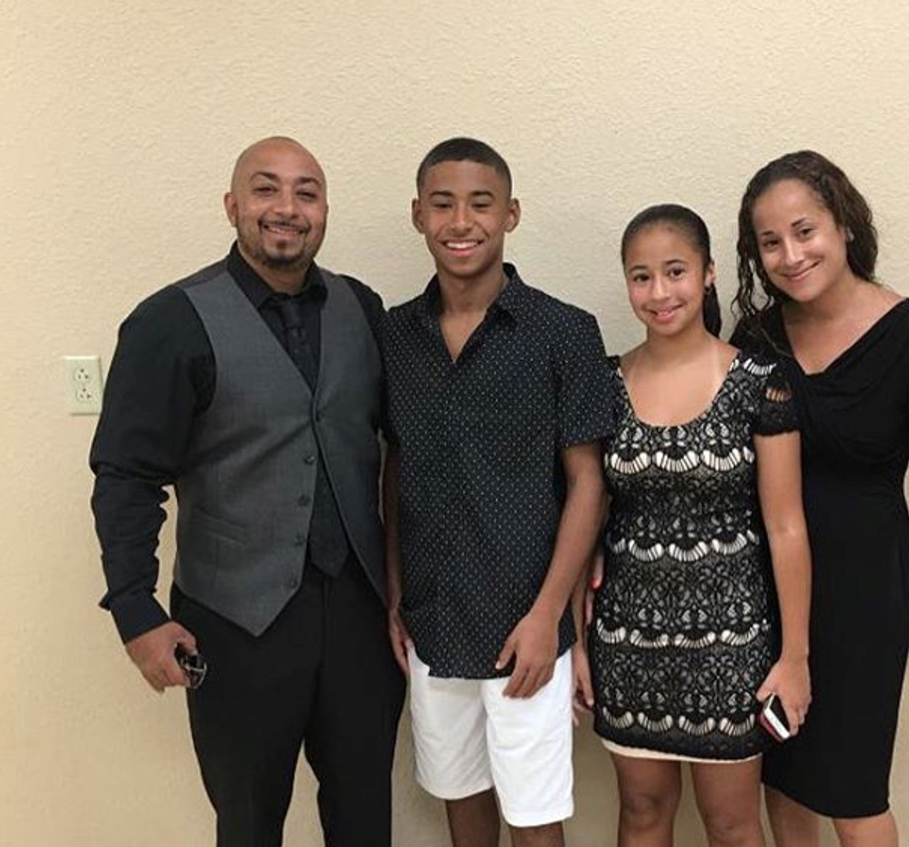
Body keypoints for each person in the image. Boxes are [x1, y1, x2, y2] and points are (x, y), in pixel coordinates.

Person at [90, 137, 405, 847]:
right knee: (249, 822)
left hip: (358, 614)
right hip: (235, 621)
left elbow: (402, 446)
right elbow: (126, 474)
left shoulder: (364, 306)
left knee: (364, 818)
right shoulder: (171, 320)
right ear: (233, 205)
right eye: (266, 189)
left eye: (307, 191)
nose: (286, 208)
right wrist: (136, 612)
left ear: (325, 210)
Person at [729, 151, 909, 847]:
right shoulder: (757, 339)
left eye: (804, 231)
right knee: (785, 774)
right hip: (764, 587)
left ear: (843, 225)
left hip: (866, 589)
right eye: (769, 242)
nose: (790, 254)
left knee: (854, 791)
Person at [380, 137, 613, 847]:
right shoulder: (391, 335)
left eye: (481, 203)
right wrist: (395, 594)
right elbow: (394, 470)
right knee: (462, 808)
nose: (462, 220)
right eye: (443, 203)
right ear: (418, 214)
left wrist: (549, 615)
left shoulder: (564, 332)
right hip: (431, 620)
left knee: (535, 820)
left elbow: (588, 483)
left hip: (525, 629)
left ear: (510, 214)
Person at [579, 204, 812, 847]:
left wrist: (794, 657)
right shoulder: (604, 382)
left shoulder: (759, 383)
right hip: (629, 641)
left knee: (734, 825)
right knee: (643, 813)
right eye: (642, 277)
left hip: (733, 645)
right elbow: (587, 519)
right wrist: (577, 640)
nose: (659, 293)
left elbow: (787, 526)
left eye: (675, 271)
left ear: (708, 274)